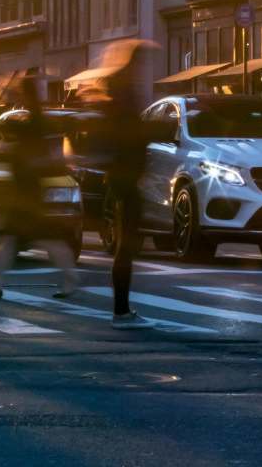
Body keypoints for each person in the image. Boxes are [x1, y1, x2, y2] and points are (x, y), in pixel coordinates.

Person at [88, 39, 164, 329]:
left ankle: (122, 308)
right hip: (125, 179)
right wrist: (153, 130)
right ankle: (121, 311)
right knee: (126, 246)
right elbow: (130, 134)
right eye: (143, 61)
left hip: (123, 178)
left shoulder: (119, 93)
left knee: (126, 245)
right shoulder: (124, 97)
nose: (145, 68)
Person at [0, 75, 76, 300]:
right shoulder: (35, 120)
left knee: (25, 236)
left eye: (20, 93)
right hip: (26, 188)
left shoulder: (33, 121)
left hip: (26, 189)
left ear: (26, 95)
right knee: (26, 236)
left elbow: (42, 153)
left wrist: (8, 150)